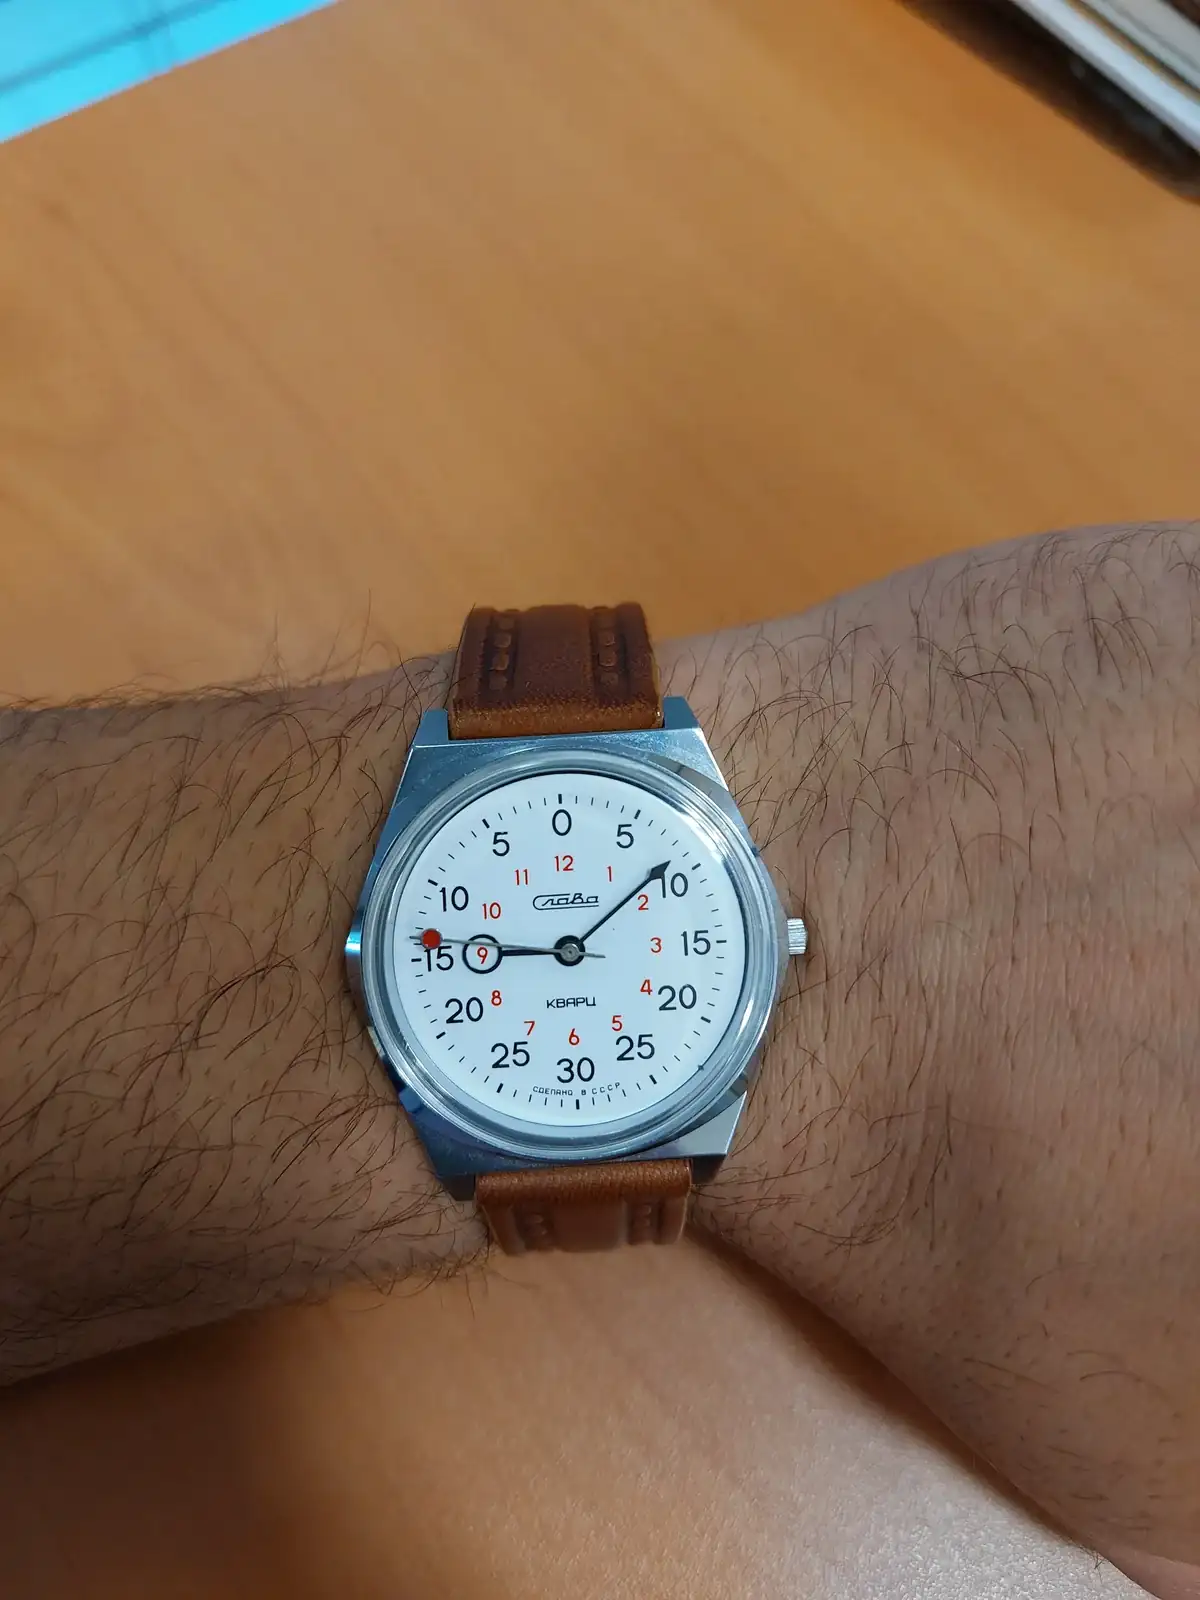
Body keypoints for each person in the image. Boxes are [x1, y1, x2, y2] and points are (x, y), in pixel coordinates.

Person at [0, 523, 1196, 1598]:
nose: (571, 948)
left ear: (777, 937)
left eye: (585, 940)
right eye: (561, 943)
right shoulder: (436, 982)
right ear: (363, 950)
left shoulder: (703, 932)